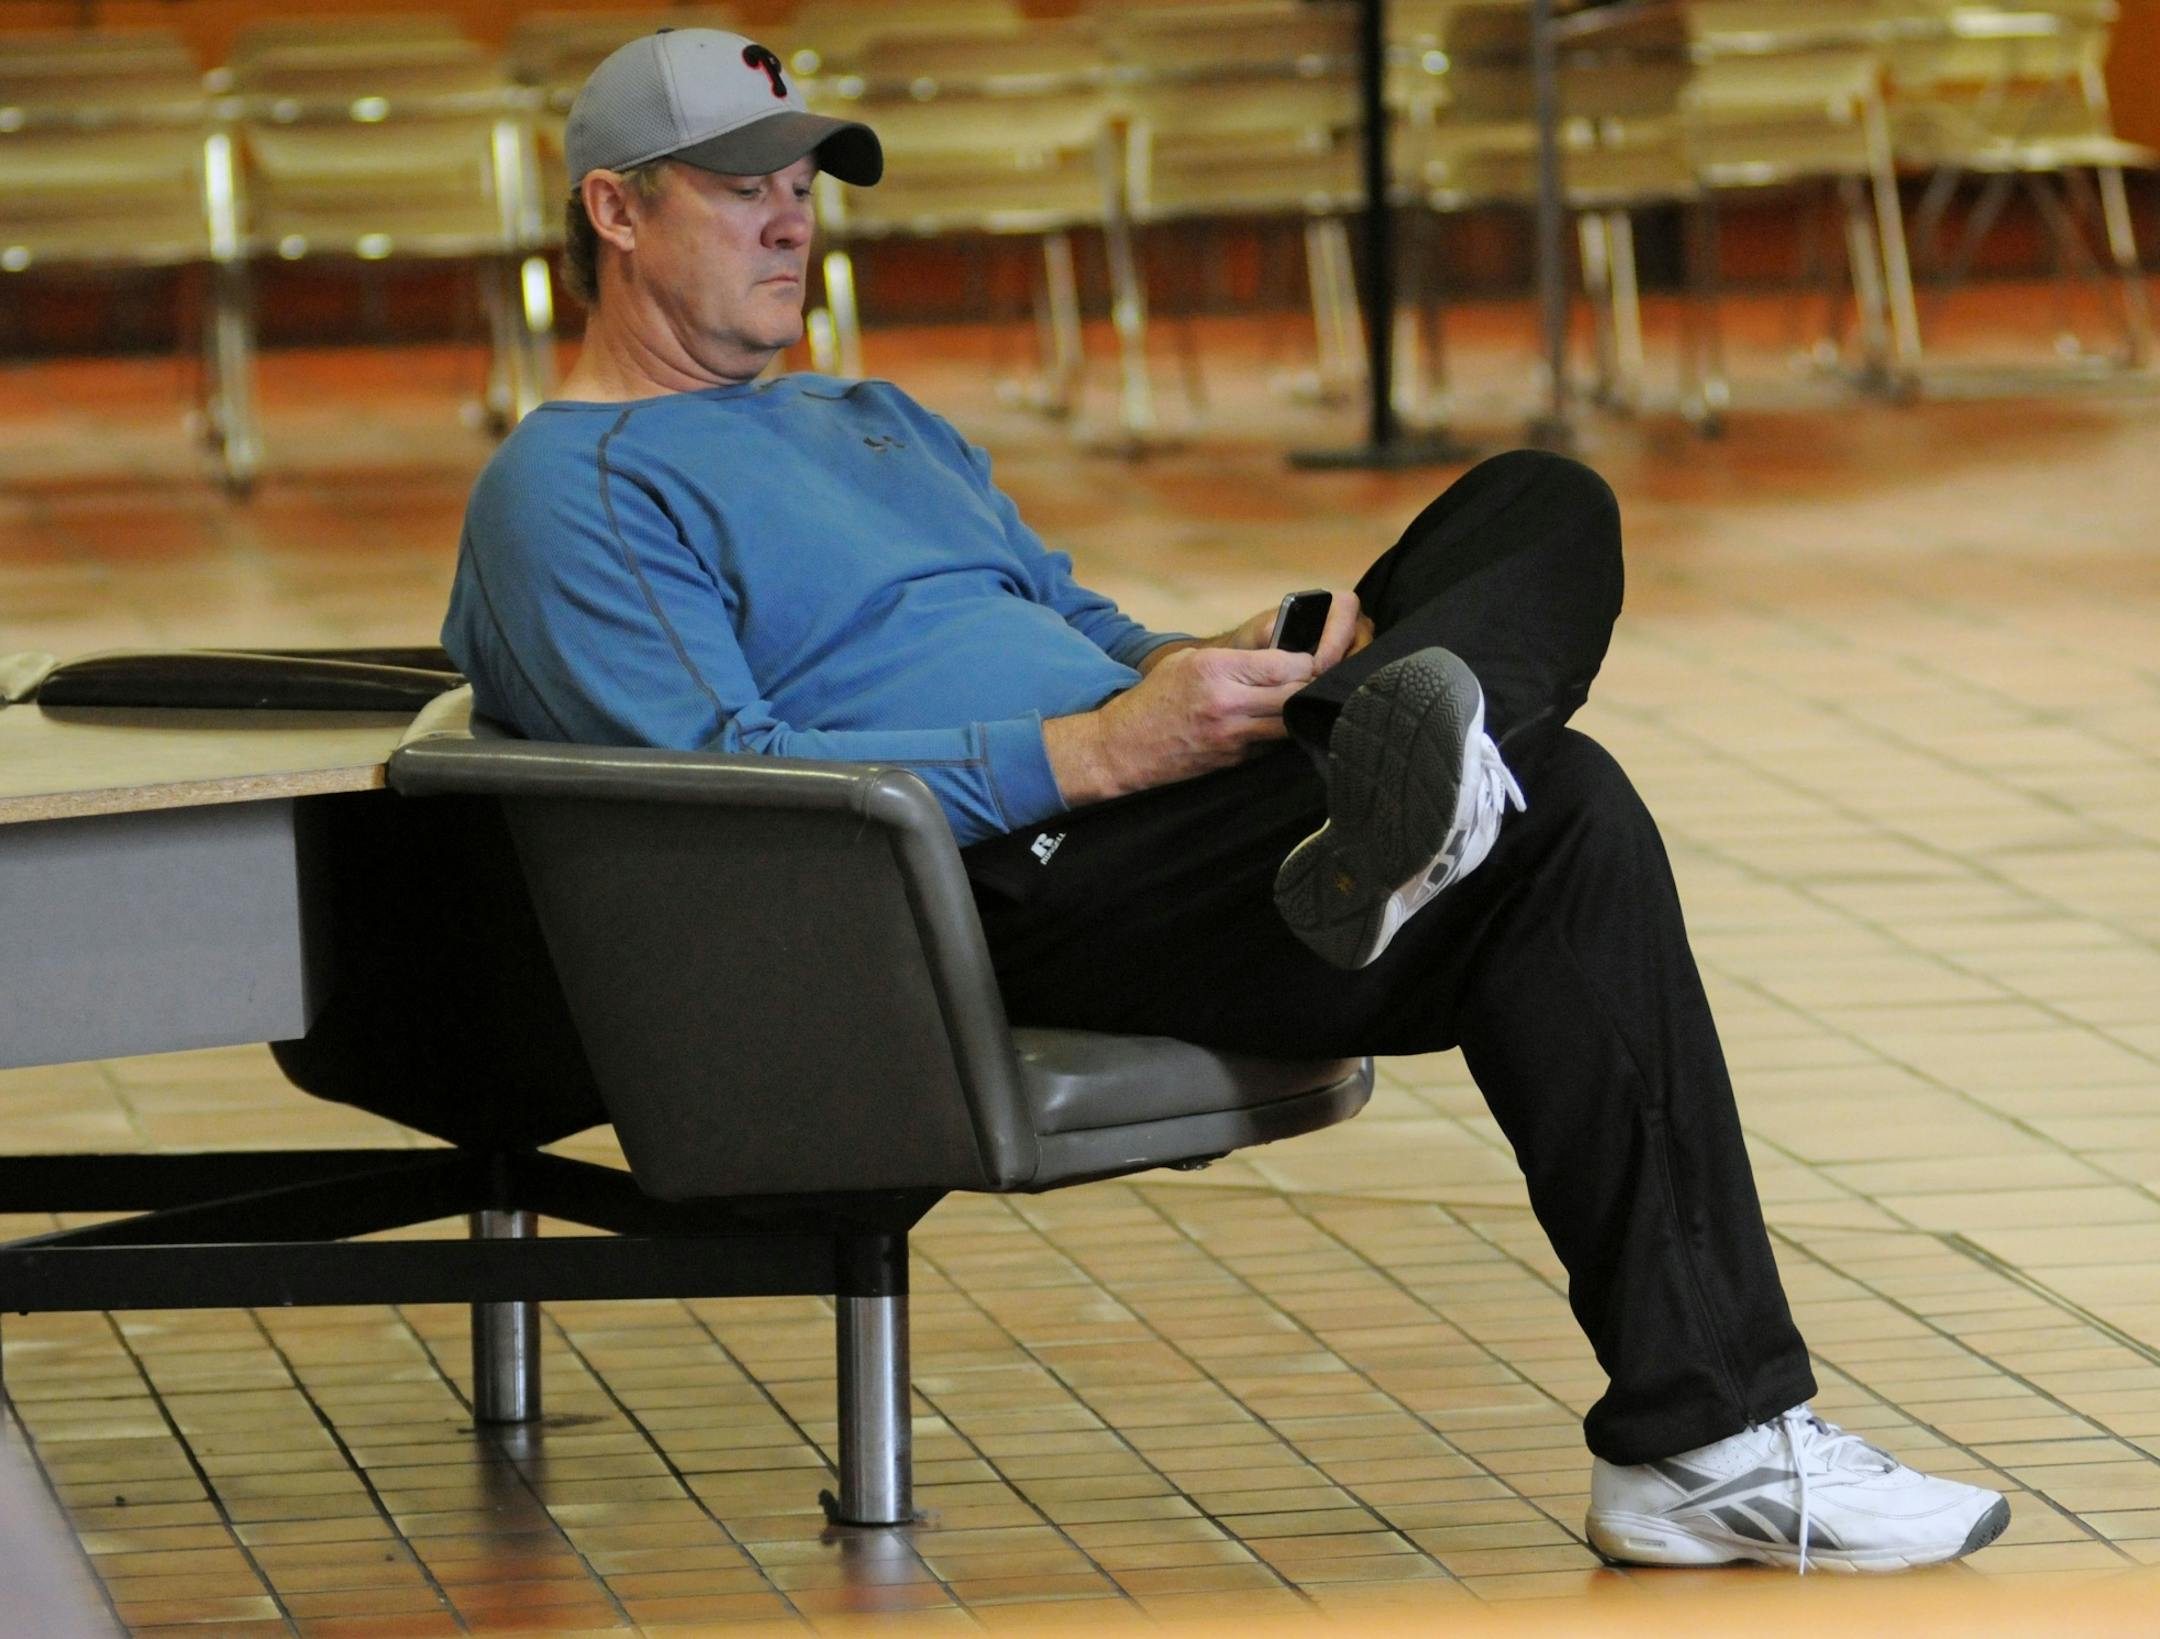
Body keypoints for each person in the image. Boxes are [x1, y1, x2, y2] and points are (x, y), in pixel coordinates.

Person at [443, 29, 2009, 1574]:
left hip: (1159, 804)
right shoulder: (574, 488)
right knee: (1568, 811)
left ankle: (1407, 778)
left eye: (804, 184)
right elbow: (720, 789)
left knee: (1543, 501)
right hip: (979, 876)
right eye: (740, 190)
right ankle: (1700, 1435)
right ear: (616, 211)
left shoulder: (877, 421)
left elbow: (1077, 623)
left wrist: (1226, 666)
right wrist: (1112, 747)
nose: (790, 219)